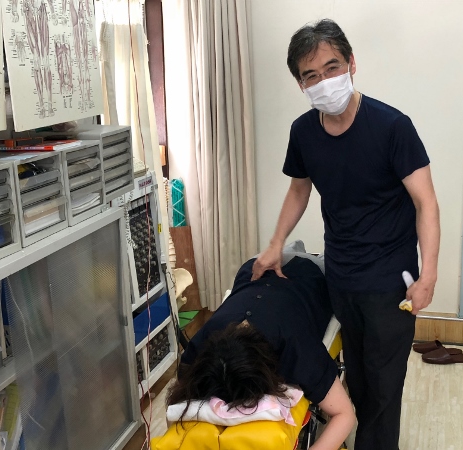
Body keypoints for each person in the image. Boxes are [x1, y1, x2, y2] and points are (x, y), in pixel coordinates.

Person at [251, 19, 440, 450]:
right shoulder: (303, 132)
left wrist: (428, 274)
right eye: (311, 76)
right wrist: (275, 245)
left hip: (391, 280)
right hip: (341, 274)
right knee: (357, 372)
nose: (324, 82)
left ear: (352, 63)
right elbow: (299, 189)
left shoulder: (392, 127)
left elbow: (426, 202)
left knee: (384, 385)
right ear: (301, 84)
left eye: (332, 67)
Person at [167, 253, 356, 450]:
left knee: (302, 255)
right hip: (254, 269)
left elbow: (344, 415)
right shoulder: (202, 343)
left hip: (308, 273)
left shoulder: (296, 348)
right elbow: (176, 409)